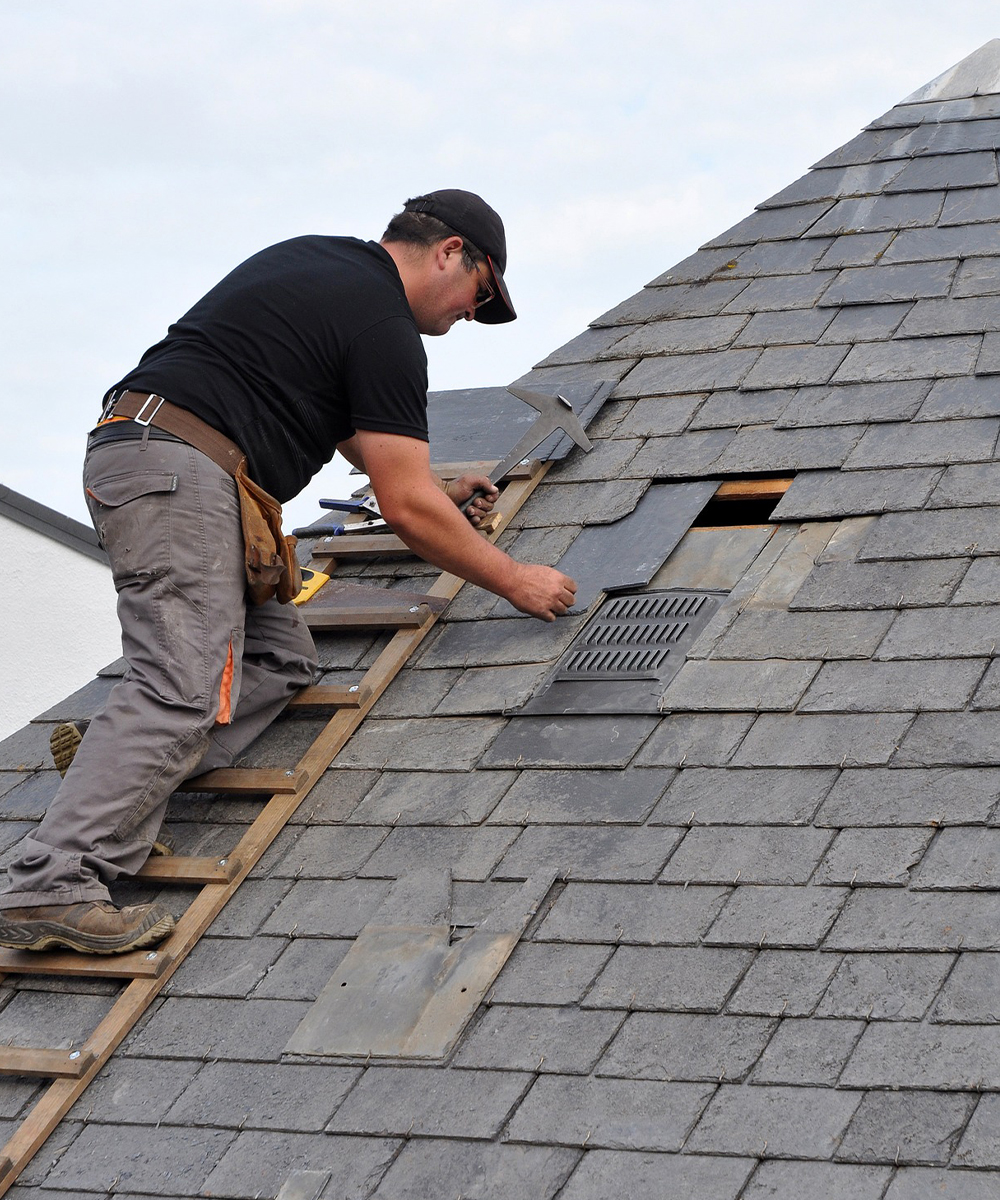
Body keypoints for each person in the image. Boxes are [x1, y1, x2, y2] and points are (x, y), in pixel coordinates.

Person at [0, 189, 577, 954]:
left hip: (159, 459)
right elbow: (403, 507)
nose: (474, 312)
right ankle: (51, 881)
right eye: (482, 292)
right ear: (450, 253)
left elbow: (365, 447)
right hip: (183, 473)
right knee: (184, 685)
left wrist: (438, 479)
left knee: (278, 658)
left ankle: (112, 773)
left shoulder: (321, 265)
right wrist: (514, 579)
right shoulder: (386, 327)